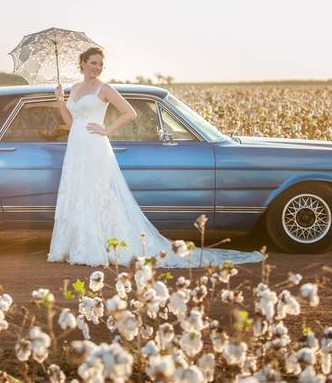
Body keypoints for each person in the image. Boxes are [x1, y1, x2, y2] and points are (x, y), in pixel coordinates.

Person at [46, 47, 263, 268]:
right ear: (82, 63)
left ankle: (97, 247)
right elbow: (71, 123)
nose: (97, 68)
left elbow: (130, 112)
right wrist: (61, 102)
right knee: (78, 191)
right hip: (76, 146)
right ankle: (78, 245)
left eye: (100, 64)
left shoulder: (105, 89)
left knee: (98, 193)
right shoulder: (74, 89)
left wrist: (107, 130)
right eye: (93, 63)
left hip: (94, 145)